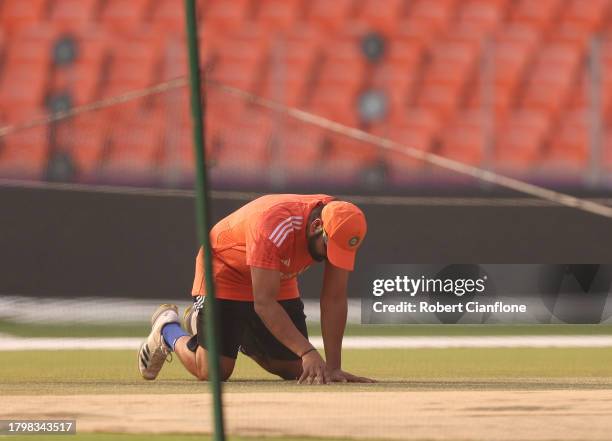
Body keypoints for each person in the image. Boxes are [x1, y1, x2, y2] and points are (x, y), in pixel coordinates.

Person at [137, 194, 374, 385]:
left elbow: (333, 298)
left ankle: (214, 325)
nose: (330, 257)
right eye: (328, 248)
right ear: (316, 226)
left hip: (276, 275)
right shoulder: (272, 226)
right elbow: (264, 303)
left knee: (298, 370)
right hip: (225, 269)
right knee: (214, 371)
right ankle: (167, 330)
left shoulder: (340, 227)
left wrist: (333, 367)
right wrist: (308, 351)